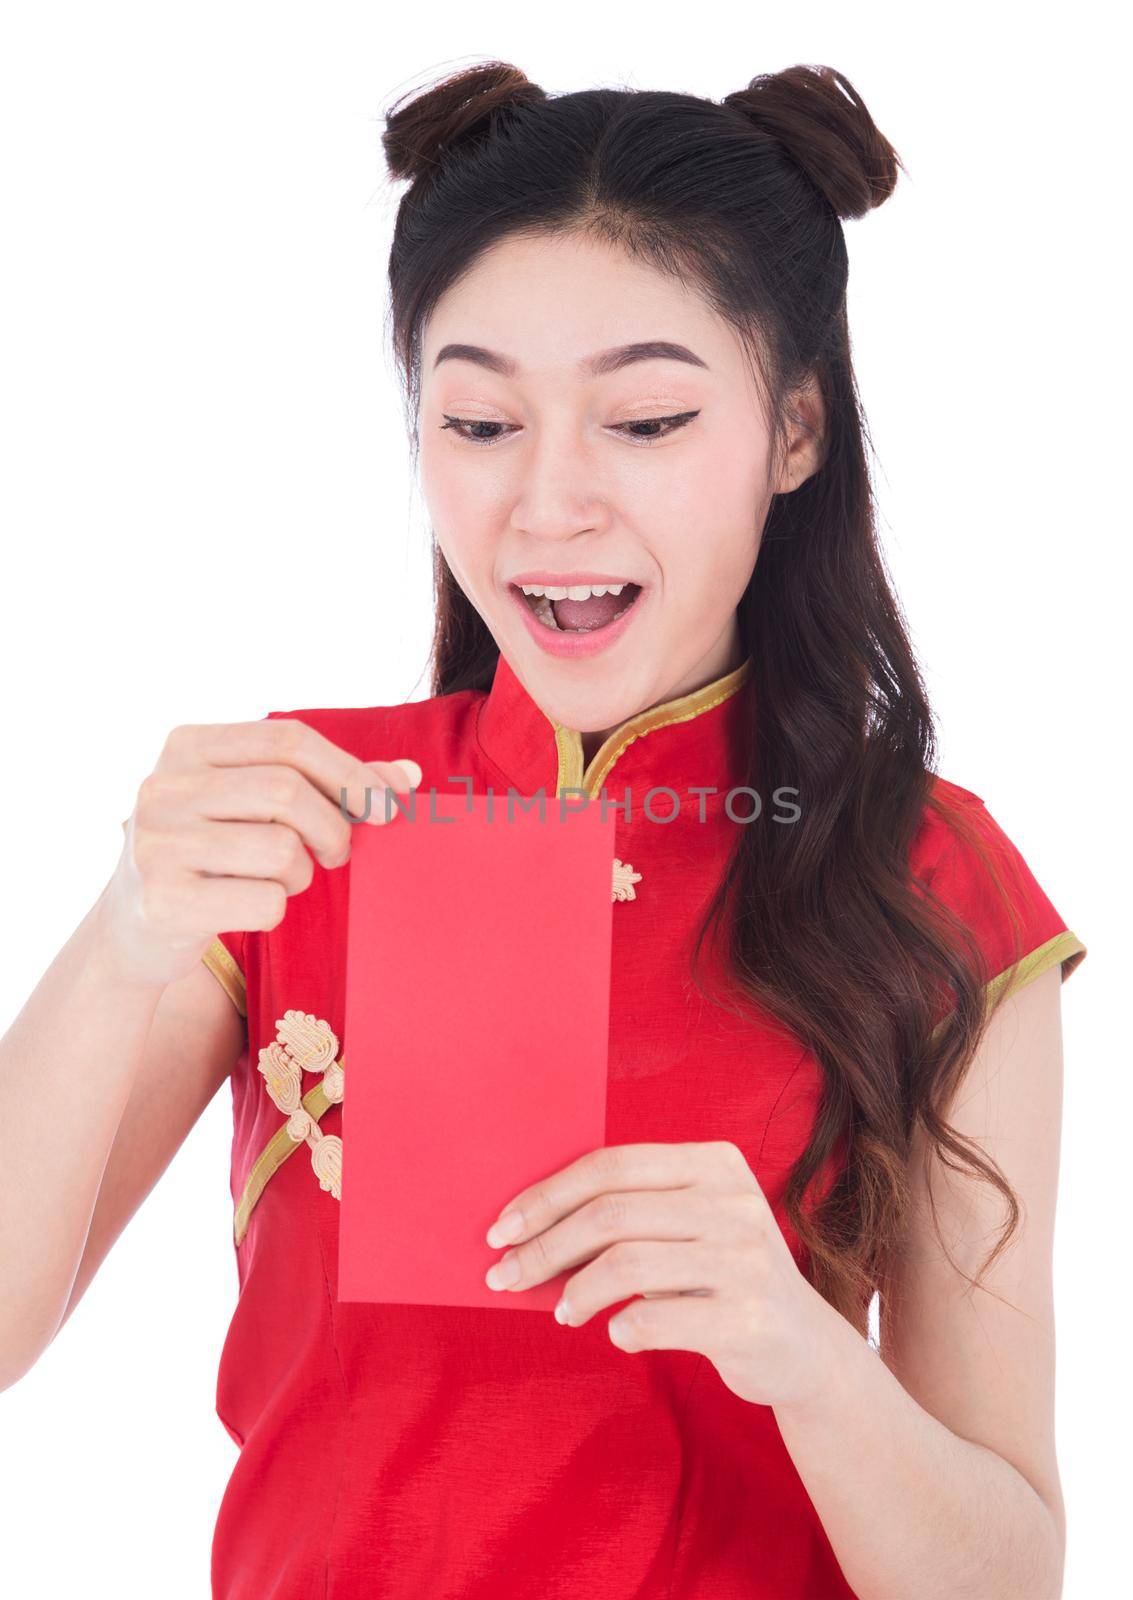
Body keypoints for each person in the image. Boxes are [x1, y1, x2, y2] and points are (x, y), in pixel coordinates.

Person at [0, 59, 1088, 1600]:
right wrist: (119, 939)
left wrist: (802, 1356)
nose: (547, 501)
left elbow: (1007, 1573)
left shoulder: (938, 883)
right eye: (481, 419)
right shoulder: (295, 817)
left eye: (642, 419)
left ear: (792, 431)